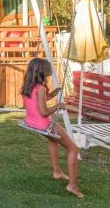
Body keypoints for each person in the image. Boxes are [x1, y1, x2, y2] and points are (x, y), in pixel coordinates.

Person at [21, 58, 84, 198]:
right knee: (73, 149)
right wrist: (58, 106)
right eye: (48, 68)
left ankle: (57, 171)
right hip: (44, 125)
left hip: (32, 123)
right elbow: (43, 112)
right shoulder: (41, 88)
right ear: (42, 71)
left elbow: (37, 102)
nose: (51, 70)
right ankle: (72, 186)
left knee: (53, 140)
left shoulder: (29, 86)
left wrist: (54, 94)